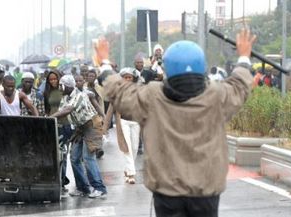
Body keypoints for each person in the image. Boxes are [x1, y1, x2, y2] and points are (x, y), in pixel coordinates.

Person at [104, 29, 256, 216]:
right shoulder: (217, 95)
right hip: (206, 191)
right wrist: (243, 57)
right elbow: (240, 85)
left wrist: (104, 63)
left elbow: (118, 92)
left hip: (167, 192)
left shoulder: (152, 96)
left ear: (166, 68)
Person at [51, 75, 107, 199]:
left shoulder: (79, 95)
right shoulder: (65, 98)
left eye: (61, 85)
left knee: (88, 158)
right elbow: (62, 112)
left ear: (66, 85)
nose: (60, 88)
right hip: (80, 128)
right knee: (74, 158)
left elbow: (68, 110)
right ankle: (83, 188)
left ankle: (99, 188)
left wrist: (50, 118)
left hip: (92, 125)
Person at [103, 68, 140, 185]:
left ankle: (127, 169)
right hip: (123, 122)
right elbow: (110, 111)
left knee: (134, 147)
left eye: (130, 77)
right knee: (127, 147)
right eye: (126, 77)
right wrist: (105, 127)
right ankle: (131, 174)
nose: (128, 79)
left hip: (136, 122)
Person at [43, 71, 73, 192]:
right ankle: (58, 179)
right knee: (55, 153)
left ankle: (62, 180)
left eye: (55, 79)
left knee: (64, 154)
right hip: (53, 124)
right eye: (51, 79)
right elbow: (47, 109)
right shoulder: (47, 92)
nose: (54, 81)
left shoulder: (64, 91)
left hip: (66, 125)